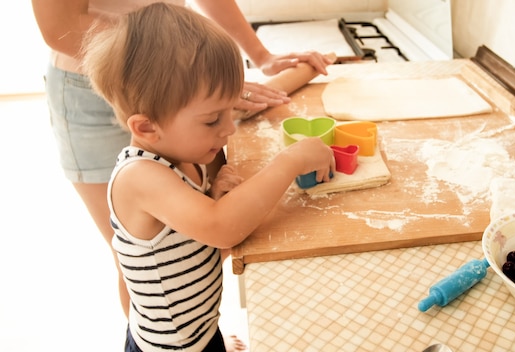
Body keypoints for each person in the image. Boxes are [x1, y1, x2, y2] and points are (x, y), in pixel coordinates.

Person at [31, 0, 332, 348]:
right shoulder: (140, 176)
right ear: (146, 126)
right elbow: (221, 229)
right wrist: (289, 161)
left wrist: (213, 198)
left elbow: (197, 246)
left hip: (201, 332)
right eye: (212, 119)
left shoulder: (182, 155)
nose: (228, 131)